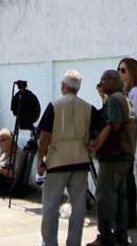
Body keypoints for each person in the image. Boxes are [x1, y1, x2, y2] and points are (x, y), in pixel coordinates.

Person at [37, 69, 102, 246]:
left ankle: (50, 242)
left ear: (63, 86)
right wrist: (94, 145)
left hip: (58, 161)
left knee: (50, 206)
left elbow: (45, 136)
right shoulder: (88, 108)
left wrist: (40, 159)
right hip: (80, 160)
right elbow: (103, 127)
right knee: (79, 207)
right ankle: (74, 242)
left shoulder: (55, 106)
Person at [87, 70, 137, 246]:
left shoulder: (115, 99)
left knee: (103, 197)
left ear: (113, 80)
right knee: (120, 199)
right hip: (126, 155)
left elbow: (113, 124)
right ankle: (121, 236)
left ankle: (105, 237)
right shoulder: (126, 99)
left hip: (113, 156)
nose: (101, 84)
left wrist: (96, 145)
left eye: (103, 80)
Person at [117, 57, 137, 227]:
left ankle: (130, 217)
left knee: (127, 176)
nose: (120, 74)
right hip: (118, 133)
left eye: (123, 70)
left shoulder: (135, 92)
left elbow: (131, 113)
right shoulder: (121, 91)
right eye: (118, 70)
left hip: (128, 133)